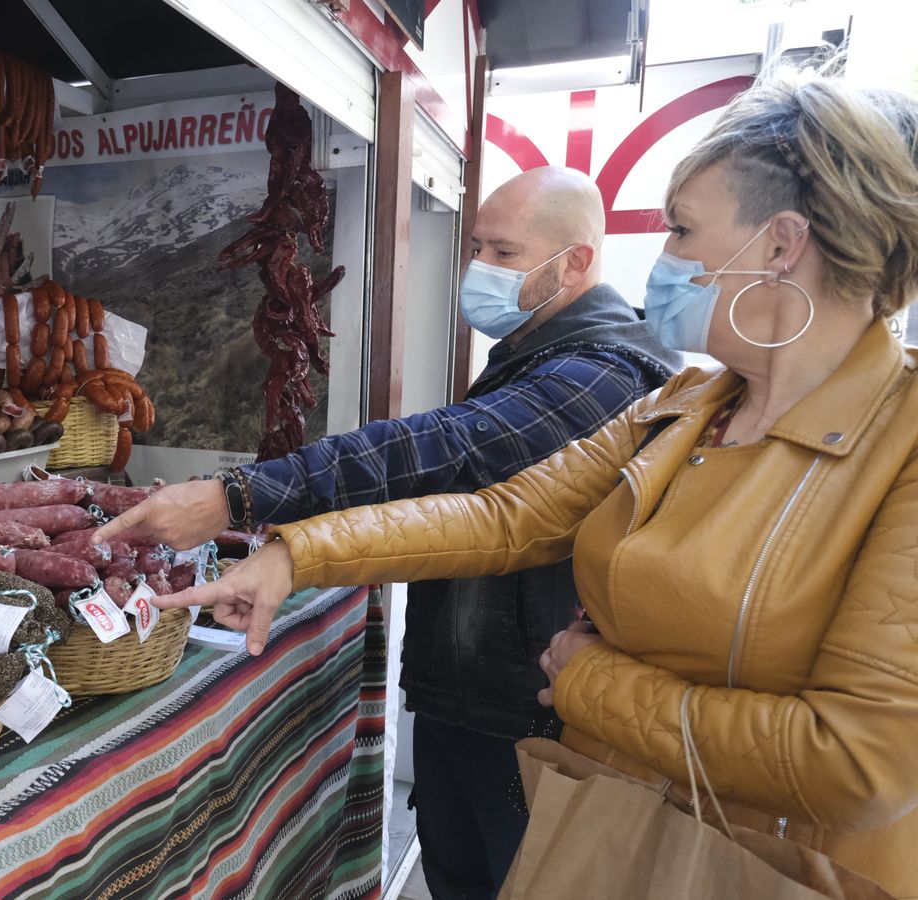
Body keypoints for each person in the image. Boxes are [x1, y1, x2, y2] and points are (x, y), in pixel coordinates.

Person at [164, 65, 918, 897]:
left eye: (679, 229)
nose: (663, 258)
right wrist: (295, 555)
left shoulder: (901, 443)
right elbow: (507, 517)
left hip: (760, 866)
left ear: (780, 246)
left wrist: (590, 681)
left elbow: (858, 761)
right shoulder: (689, 405)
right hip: (610, 825)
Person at [97, 166, 679, 899]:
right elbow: (452, 503)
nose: (479, 269)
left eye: (502, 252)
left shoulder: (605, 375)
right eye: (477, 247)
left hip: (529, 711)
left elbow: (445, 451)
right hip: (470, 692)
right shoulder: (531, 354)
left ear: (577, 262)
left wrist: (238, 496)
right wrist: (291, 549)